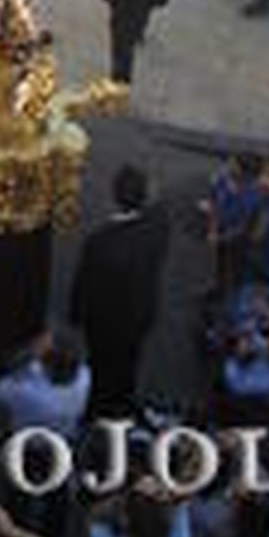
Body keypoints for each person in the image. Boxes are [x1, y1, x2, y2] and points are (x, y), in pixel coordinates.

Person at [67, 164, 169, 414]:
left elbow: (85, 283)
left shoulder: (100, 242)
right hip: (139, 314)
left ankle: (99, 403)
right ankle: (122, 399)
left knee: (102, 362)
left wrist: (76, 314)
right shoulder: (158, 227)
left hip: (105, 319)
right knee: (128, 363)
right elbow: (158, 207)